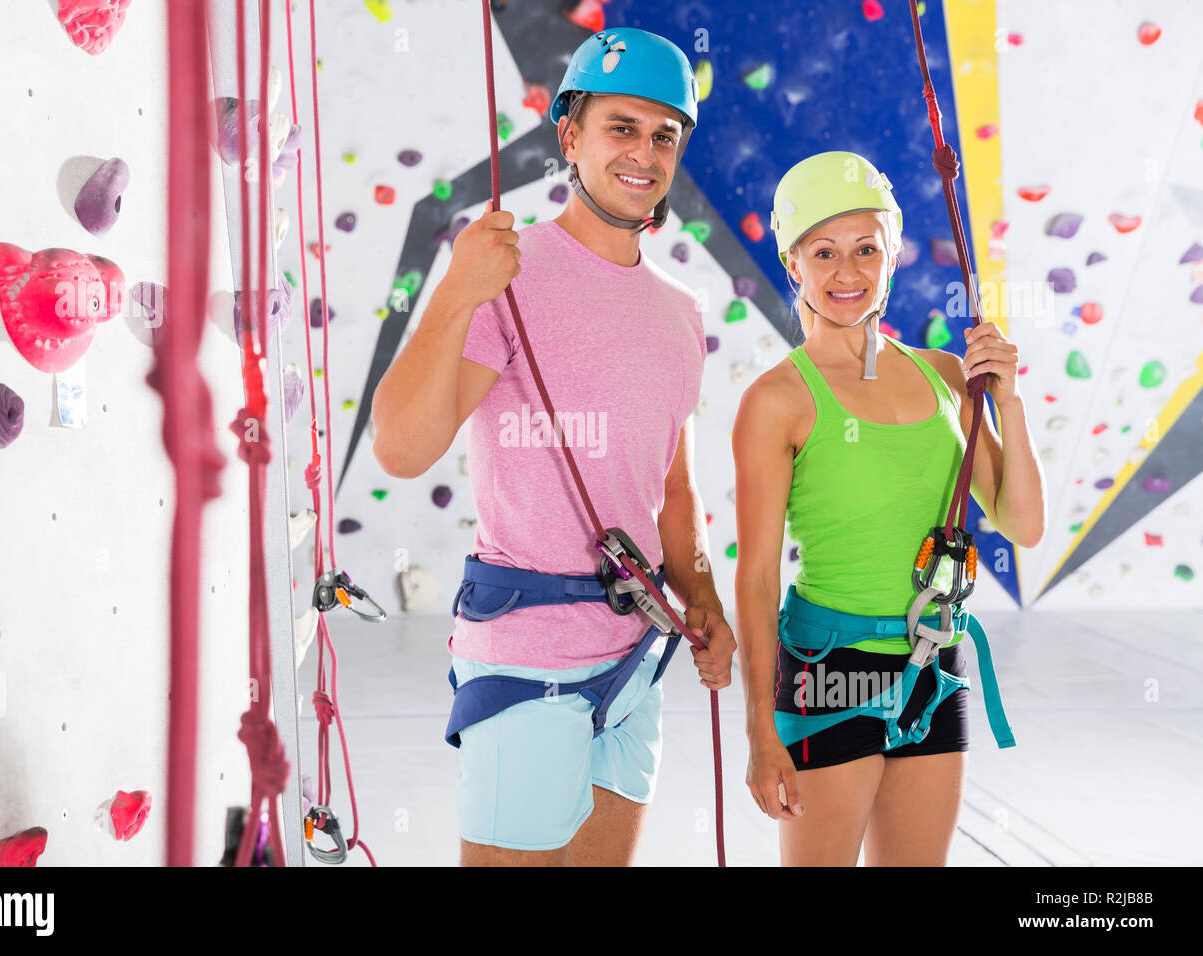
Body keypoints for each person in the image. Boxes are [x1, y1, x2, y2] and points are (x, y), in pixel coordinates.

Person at [371, 27, 735, 867]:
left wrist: (703, 596)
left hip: (636, 656)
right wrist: (457, 294)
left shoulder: (680, 310)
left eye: (663, 134)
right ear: (570, 136)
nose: (644, 152)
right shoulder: (508, 271)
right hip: (525, 649)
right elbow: (399, 447)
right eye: (621, 127)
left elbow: (672, 491)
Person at [732, 150, 1046, 865]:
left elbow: (1023, 523)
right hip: (829, 668)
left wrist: (1008, 403)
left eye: (867, 248)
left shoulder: (942, 376)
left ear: (892, 254)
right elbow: (754, 578)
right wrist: (759, 732)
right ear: (793, 264)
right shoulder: (777, 400)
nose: (848, 273)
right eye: (825, 252)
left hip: (934, 668)